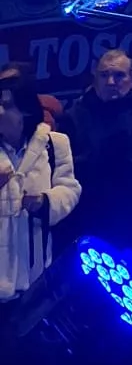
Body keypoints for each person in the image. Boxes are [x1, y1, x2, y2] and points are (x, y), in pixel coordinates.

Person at [59, 48, 132, 264]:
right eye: (104, 75)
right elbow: (63, 171)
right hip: (87, 221)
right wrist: (96, 164)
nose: (111, 81)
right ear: (95, 77)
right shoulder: (74, 115)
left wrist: (131, 168)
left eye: (119, 75)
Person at [0, 64, 80, 304]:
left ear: (24, 109)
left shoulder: (54, 144)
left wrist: (45, 202)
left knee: (25, 337)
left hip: (35, 269)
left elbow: (70, 189)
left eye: (6, 105)